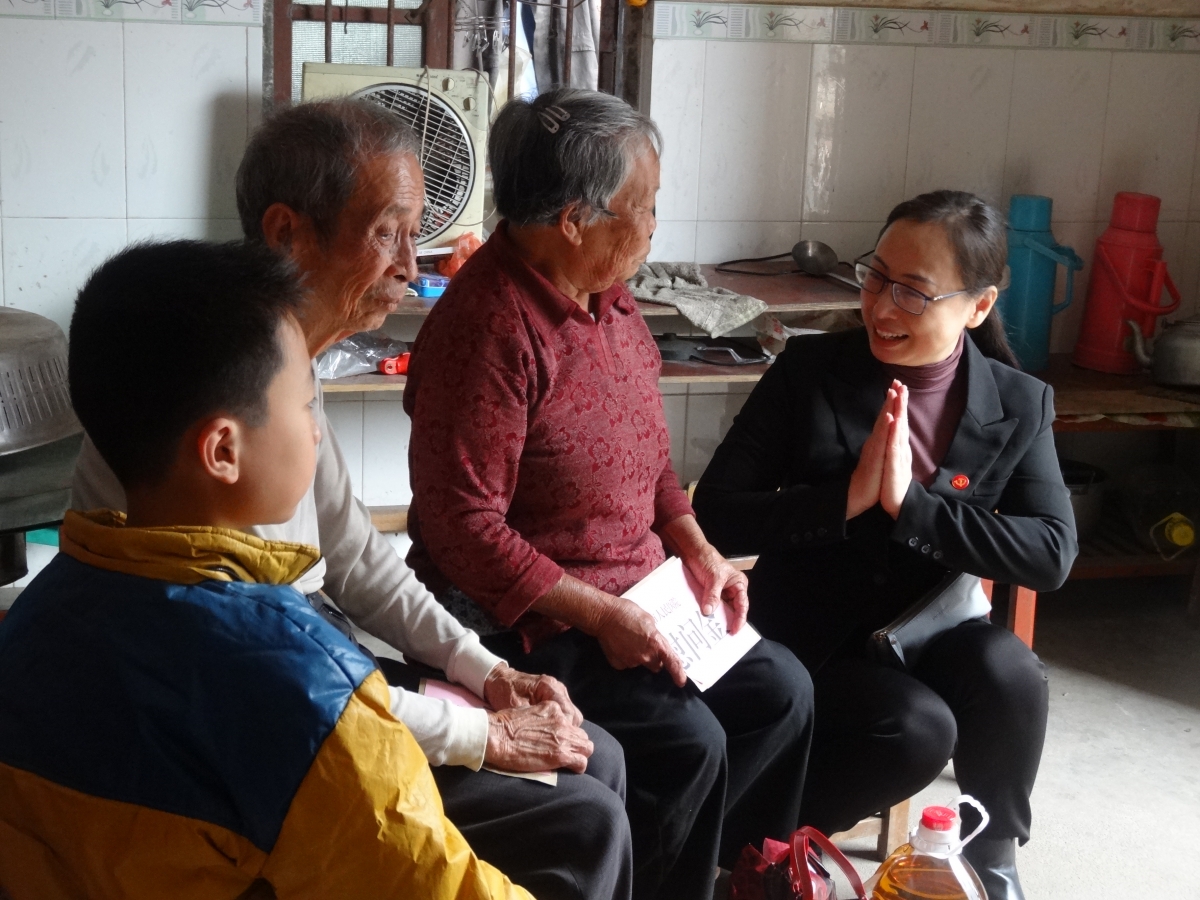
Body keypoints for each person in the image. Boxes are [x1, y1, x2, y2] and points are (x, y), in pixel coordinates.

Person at [69, 101, 631, 900]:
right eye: (387, 232)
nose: (410, 264)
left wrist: (484, 669)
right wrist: (481, 732)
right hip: (260, 714)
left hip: (305, 665)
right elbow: (270, 684)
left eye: (415, 235)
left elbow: (358, 558)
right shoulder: (203, 398)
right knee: (583, 816)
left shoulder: (286, 362)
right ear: (286, 234)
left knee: (597, 760)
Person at [0, 240, 534, 899]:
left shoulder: (33, 619)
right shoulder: (302, 681)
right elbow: (439, 884)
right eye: (305, 404)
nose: (316, 430)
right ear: (223, 450)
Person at [403, 87, 814, 900]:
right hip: (530, 617)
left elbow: (648, 458)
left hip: (640, 592)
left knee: (783, 695)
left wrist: (698, 550)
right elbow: (461, 528)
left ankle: (729, 874)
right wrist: (599, 615)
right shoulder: (488, 328)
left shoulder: (610, 294)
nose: (655, 224)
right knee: (688, 745)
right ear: (573, 220)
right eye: (645, 206)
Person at [693, 190, 1078, 900]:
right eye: (876, 277)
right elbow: (715, 514)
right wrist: (847, 499)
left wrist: (913, 508)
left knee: (1011, 673)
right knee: (916, 728)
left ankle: (992, 861)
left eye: (914, 292)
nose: (882, 307)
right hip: (812, 637)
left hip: (927, 630)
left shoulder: (1018, 402)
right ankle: (753, 846)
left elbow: (1051, 553)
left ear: (978, 307)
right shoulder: (810, 372)